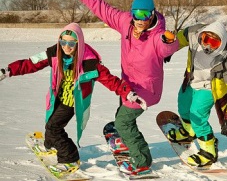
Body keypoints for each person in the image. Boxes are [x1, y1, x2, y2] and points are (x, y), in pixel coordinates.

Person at [0, 23, 145, 174]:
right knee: (50, 121)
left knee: (54, 127)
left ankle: (69, 156)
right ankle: (50, 144)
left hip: (73, 102)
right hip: (57, 96)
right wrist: (9, 70)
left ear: (79, 43)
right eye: (63, 42)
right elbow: (31, 63)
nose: (66, 47)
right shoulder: (55, 52)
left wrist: (128, 93)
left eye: (71, 43)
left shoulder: (89, 62)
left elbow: (110, 80)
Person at [72, 0, 180, 174]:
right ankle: (128, 137)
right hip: (128, 85)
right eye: (136, 14)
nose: (139, 19)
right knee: (123, 117)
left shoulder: (157, 36)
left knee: (123, 122)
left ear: (152, 14)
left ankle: (142, 160)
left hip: (146, 89)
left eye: (144, 15)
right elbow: (100, 7)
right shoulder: (125, 22)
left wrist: (170, 42)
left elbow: (166, 47)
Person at [166, 21, 227, 167]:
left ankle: (209, 151)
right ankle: (188, 132)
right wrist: (168, 49)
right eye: (206, 40)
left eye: (214, 43)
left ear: (221, 44)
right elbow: (179, 39)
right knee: (183, 105)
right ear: (201, 36)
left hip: (209, 88)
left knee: (197, 115)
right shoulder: (193, 33)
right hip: (191, 81)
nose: (208, 46)